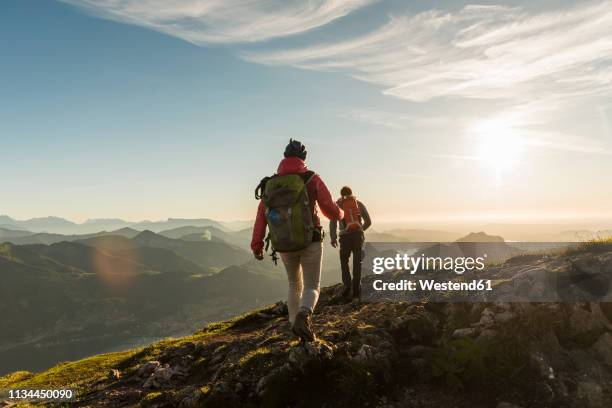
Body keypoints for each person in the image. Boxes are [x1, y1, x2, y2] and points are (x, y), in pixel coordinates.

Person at [251, 139, 344, 342]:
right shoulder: (311, 178)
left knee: (294, 284)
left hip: (283, 243)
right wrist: (342, 214)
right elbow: (330, 209)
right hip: (310, 240)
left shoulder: (271, 184)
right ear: (303, 158)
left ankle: (295, 328)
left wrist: (257, 244)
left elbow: (261, 216)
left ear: (284, 158)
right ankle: (304, 314)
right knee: (312, 286)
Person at [330, 186, 371, 301]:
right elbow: (368, 221)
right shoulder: (358, 204)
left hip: (344, 237)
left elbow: (333, 222)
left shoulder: (338, 205)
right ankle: (356, 293)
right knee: (357, 263)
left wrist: (333, 238)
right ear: (351, 193)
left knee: (344, 261)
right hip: (358, 237)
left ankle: (347, 286)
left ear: (341, 194)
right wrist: (360, 230)